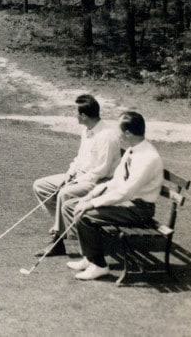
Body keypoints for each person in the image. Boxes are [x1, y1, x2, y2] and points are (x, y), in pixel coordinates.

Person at [64, 111, 164, 281]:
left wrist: (92, 204)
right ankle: (89, 258)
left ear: (128, 133)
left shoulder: (148, 157)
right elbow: (117, 181)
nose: (117, 135)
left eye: (119, 132)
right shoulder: (133, 150)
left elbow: (126, 192)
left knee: (86, 215)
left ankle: (99, 266)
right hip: (127, 203)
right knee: (73, 205)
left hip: (139, 209)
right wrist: (92, 195)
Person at [31, 94, 122, 257]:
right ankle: (63, 226)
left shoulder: (107, 136)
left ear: (84, 116)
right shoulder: (86, 130)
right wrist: (69, 174)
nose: (75, 116)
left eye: (77, 113)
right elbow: (79, 159)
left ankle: (58, 242)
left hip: (100, 182)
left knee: (65, 193)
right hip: (80, 176)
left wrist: (74, 182)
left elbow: (101, 170)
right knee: (40, 185)